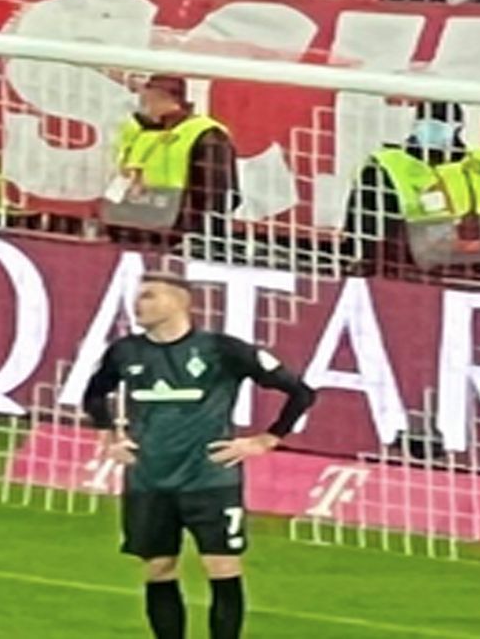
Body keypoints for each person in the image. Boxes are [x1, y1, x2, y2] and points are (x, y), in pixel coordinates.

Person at [79, 274, 318, 639]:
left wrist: (266, 440)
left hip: (209, 479)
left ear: (179, 302)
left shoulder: (223, 350)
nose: (138, 304)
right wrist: (110, 436)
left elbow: (300, 392)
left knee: (221, 567)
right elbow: (94, 394)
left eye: (148, 296)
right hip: (149, 479)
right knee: (158, 568)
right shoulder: (125, 352)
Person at [343, 102, 480, 274]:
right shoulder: (387, 166)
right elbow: (365, 227)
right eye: (426, 123)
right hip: (411, 268)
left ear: (457, 127)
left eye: (440, 125)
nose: (431, 130)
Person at [107, 76, 238, 244]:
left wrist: (191, 236)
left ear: (165, 97)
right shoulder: (137, 132)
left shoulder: (206, 134)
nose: (143, 104)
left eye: (147, 98)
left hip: (179, 237)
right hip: (133, 231)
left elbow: (217, 196)